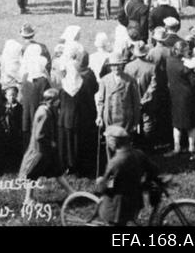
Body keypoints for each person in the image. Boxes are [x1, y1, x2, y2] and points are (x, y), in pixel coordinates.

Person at [95, 125, 160, 226]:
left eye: (107, 140)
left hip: (117, 208)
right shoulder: (138, 154)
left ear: (113, 142)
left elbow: (105, 186)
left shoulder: (115, 162)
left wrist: (100, 183)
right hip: (135, 201)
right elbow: (154, 169)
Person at [19, 88, 74, 205]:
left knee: (57, 171)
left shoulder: (45, 109)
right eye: (58, 100)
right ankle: (28, 199)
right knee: (32, 174)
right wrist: (51, 142)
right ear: (52, 101)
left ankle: (71, 192)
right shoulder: (44, 113)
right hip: (40, 151)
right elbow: (39, 135)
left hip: (47, 150)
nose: (59, 102)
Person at [57, 47, 99, 177]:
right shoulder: (83, 84)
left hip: (65, 119)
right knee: (78, 143)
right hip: (79, 118)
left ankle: (68, 166)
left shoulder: (63, 86)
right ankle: (79, 166)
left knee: (67, 143)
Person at [96, 52, 141, 154]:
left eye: (118, 65)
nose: (116, 68)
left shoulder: (130, 80)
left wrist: (136, 121)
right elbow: (101, 101)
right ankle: (111, 166)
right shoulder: (104, 80)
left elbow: (136, 103)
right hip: (110, 118)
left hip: (125, 119)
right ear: (110, 66)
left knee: (125, 147)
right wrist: (99, 116)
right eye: (113, 65)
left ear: (122, 65)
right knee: (110, 145)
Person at [165, 40, 195, 154]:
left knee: (177, 123)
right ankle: (191, 147)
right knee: (191, 123)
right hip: (187, 95)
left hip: (174, 94)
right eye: (187, 50)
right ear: (183, 51)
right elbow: (194, 82)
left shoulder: (169, 61)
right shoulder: (186, 66)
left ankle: (177, 147)